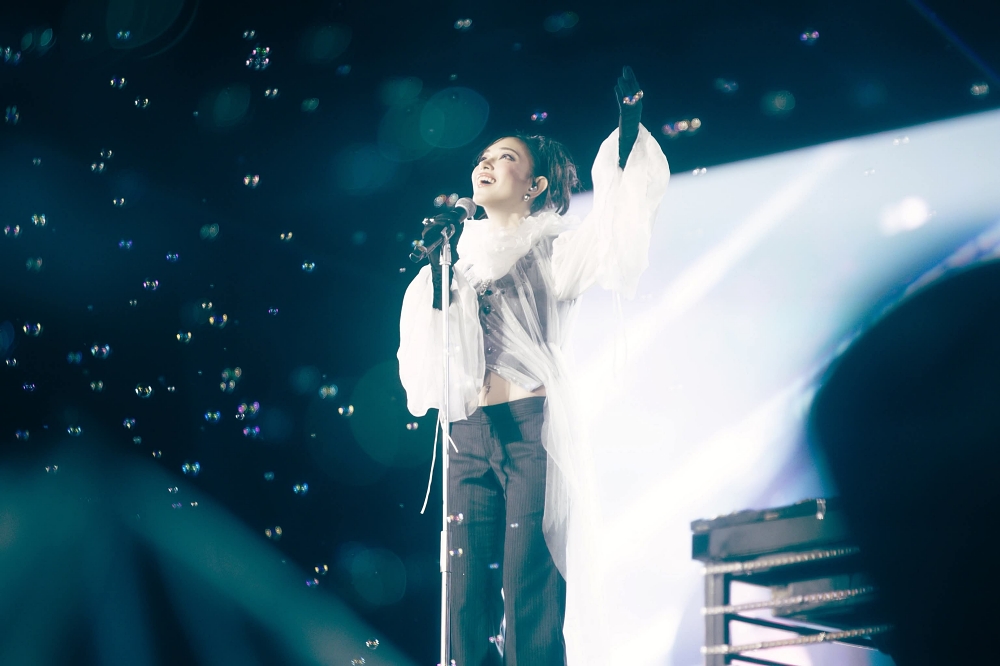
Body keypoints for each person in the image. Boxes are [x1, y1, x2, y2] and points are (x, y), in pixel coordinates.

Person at [397, 67, 670, 665]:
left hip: (531, 429)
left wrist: (627, 127)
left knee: (530, 586)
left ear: (535, 184)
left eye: (506, 158)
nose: (487, 163)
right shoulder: (455, 260)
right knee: (463, 597)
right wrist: (439, 280)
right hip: (467, 434)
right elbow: (431, 355)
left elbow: (619, 218)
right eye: (483, 157)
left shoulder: (556, 248)